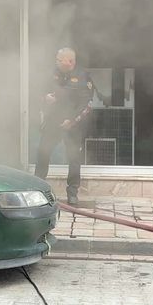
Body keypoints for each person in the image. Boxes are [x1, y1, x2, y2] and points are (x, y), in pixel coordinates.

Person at [34, 47, 94, 206]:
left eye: (60, 60)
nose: (57, 62)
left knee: (73, 157)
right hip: (53, 122)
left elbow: (86, 104)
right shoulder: (51, 74)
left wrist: (72, 120)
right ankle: (38, 189)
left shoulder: (83, 77)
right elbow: (37, 93)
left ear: (71, 61)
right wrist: (45, 98)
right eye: (57, 59)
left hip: (73, 124)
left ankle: (72, 192)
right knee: (42, 153)